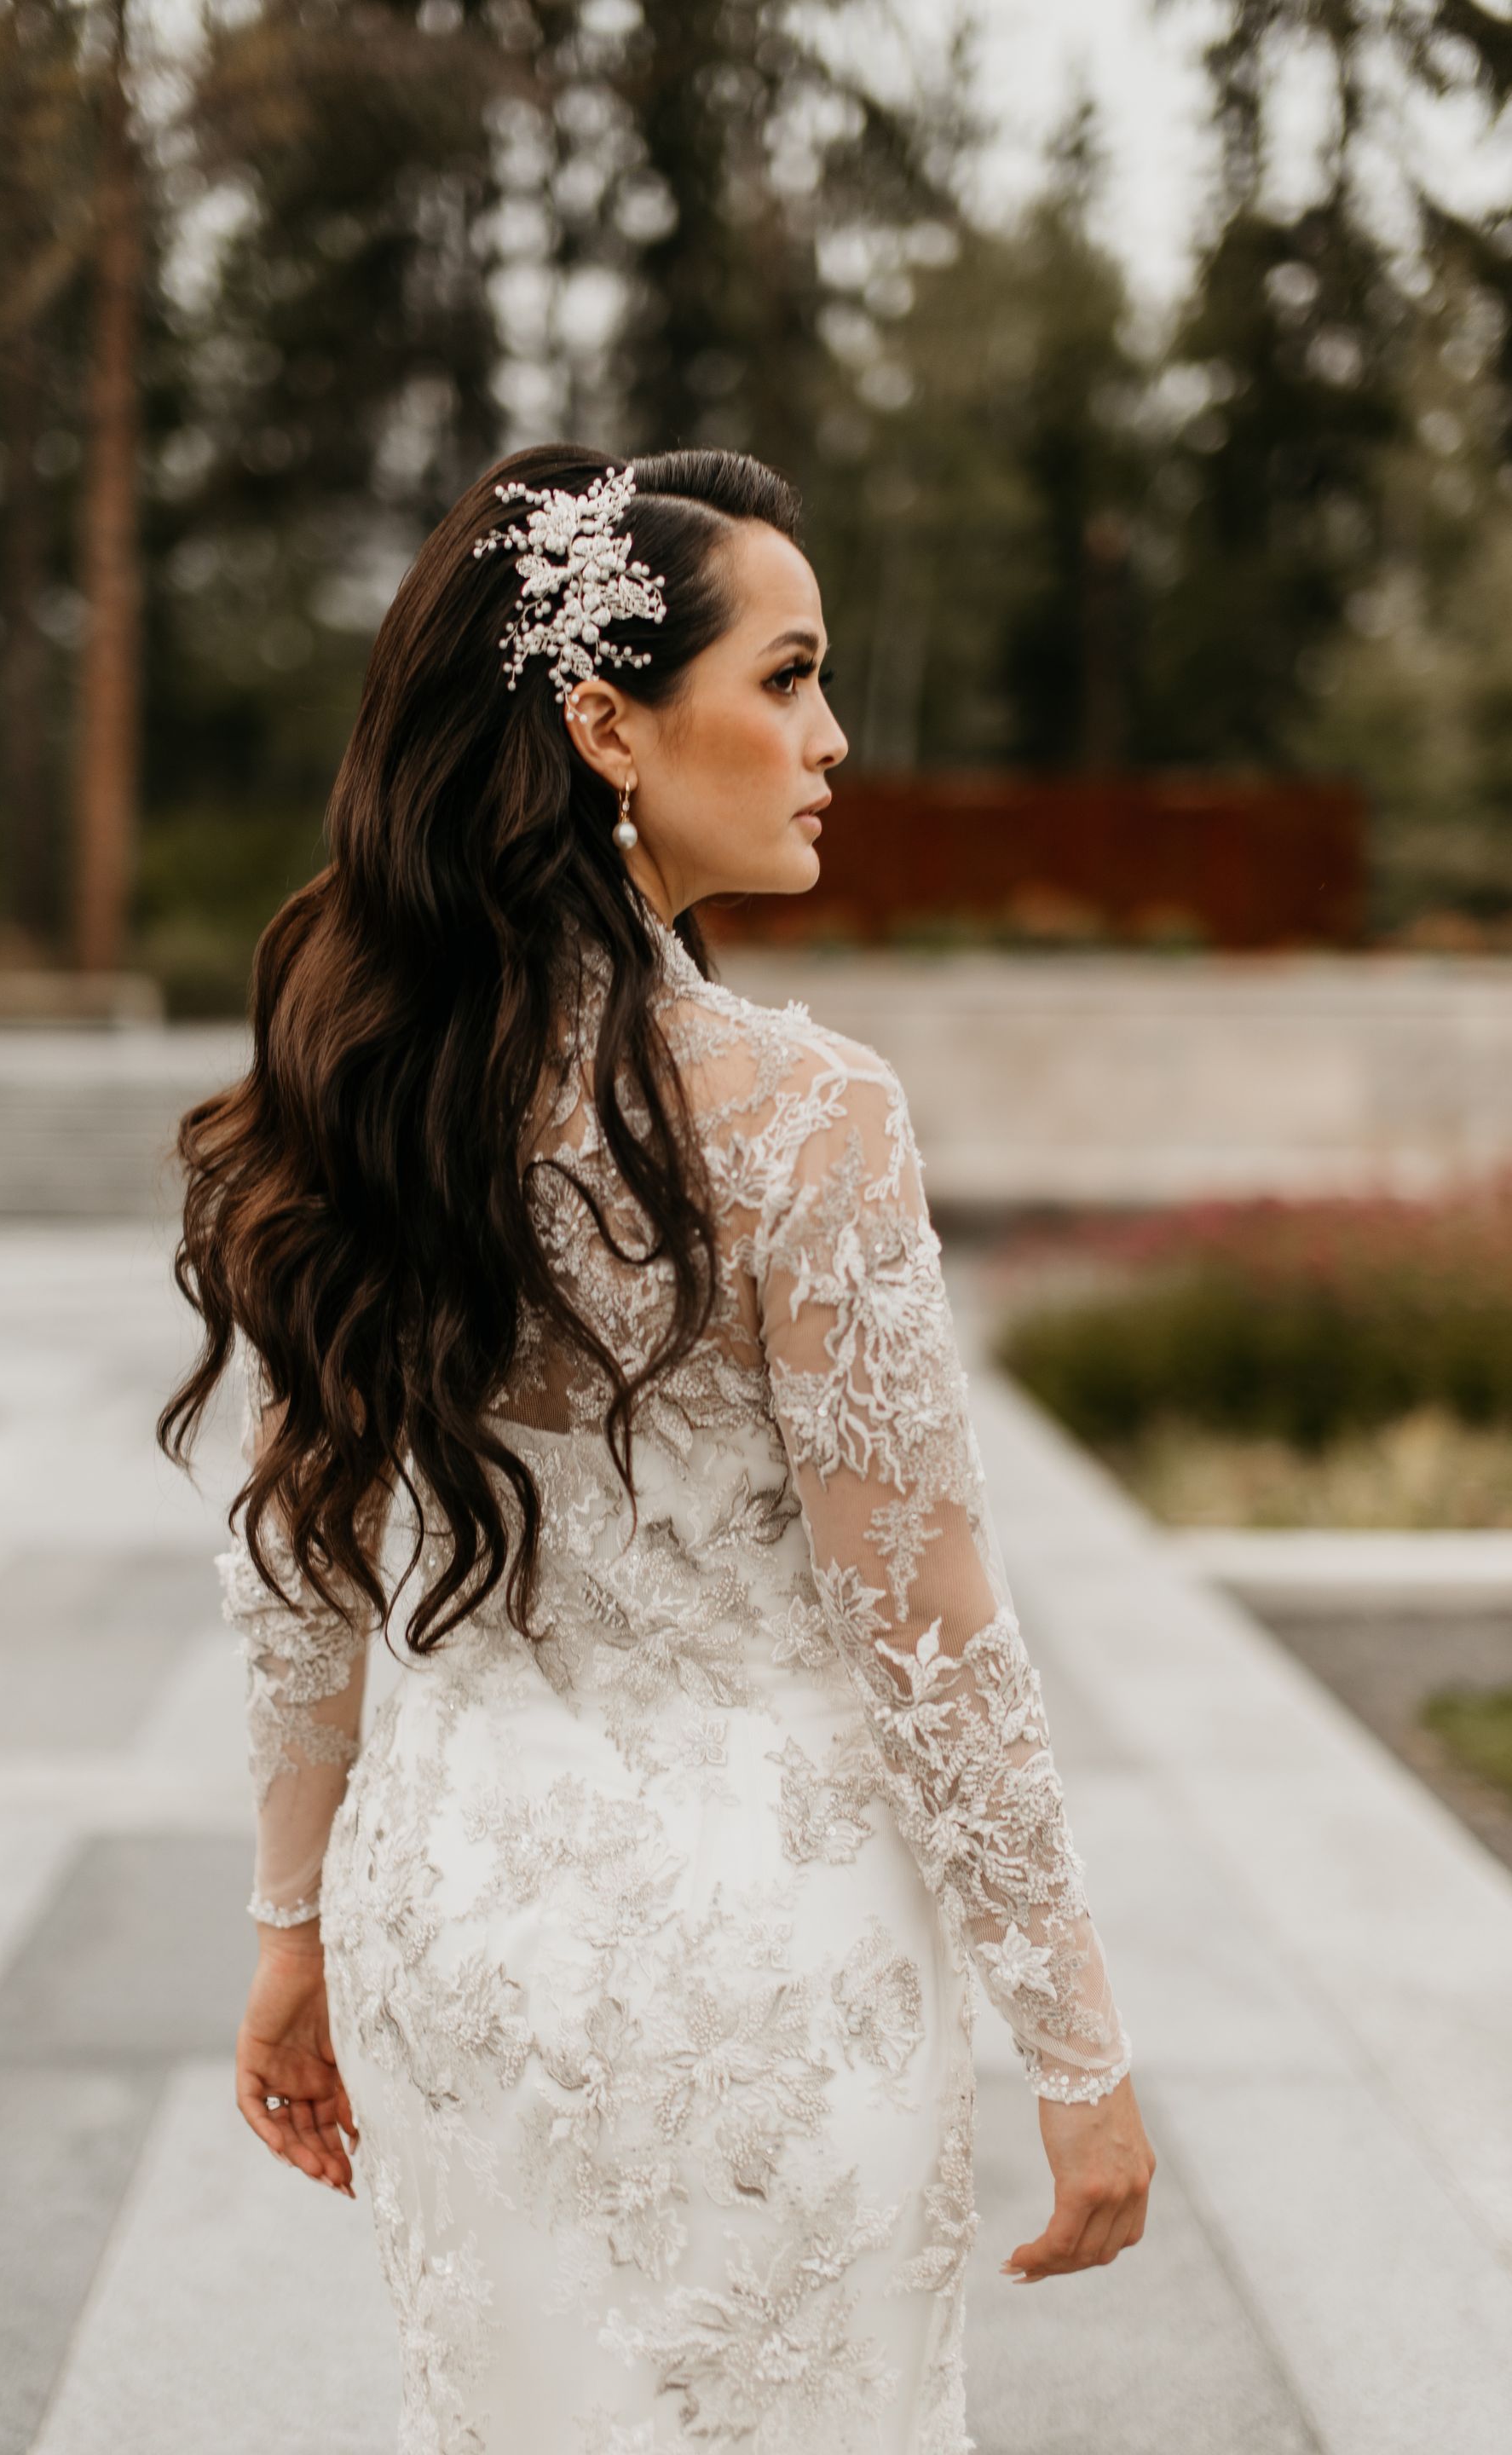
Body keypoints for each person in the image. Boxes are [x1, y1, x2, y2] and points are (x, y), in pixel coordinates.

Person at [159, 445, 1153, 2455]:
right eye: (786, 678)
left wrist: (290, 1929)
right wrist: (1077, 2037)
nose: (833, 738)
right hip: (766, 1969)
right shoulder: (800, 1116)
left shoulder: (349, 1077)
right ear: (607, 721)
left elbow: (298, 1562)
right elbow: (931, 1618)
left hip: (454, 1933)